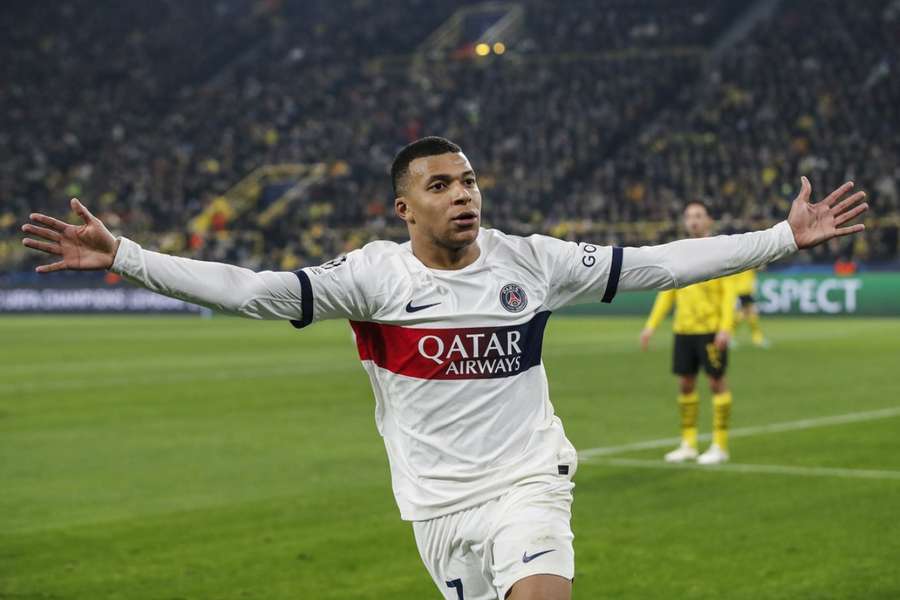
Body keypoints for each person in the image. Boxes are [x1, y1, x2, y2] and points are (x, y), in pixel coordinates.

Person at [21, 137, 868, 600]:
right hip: (434, 509)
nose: (463, 195)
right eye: (441, 185)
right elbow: (248, 291)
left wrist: (782, 238)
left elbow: (660, 263)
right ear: (405, 206)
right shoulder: (374, 278)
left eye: (469, 181)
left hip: (529, 481)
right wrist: (126, 256)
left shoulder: (530, 261)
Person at [640, 201, 739, 465]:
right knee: (685, 384)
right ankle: (689, 443)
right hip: (683, 330)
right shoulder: (679, 253)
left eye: (698, 216)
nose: (693, 221)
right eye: (689, 217)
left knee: (716, 383)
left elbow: (730, 293)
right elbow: (666, 293)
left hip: (710, 331)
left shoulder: (720, 252)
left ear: (708, 220)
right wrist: (652, 325)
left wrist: (726, 328)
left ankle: (719, 445)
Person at [732, 268, 769, 347]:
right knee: (746, 314)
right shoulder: (747, 262)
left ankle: (757, 338)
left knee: (746, 314)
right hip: (743, 290)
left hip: (744, 290)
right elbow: (762, 267)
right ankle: (757, 339)